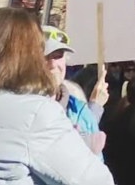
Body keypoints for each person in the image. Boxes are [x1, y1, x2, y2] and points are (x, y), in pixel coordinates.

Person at [0, 8, 114, 184]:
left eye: (59, 56)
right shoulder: (36, 113)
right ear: (31, 57)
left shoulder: (71, 104)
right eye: (45, 53)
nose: (52, 64)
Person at [43, 25, 108, 157]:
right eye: (45, 57)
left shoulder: (79, 109)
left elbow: (96, 164)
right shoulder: (20, 106)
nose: (53, 64)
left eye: (58, 56)